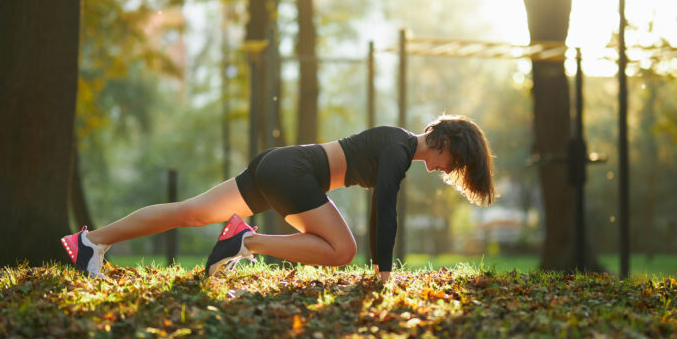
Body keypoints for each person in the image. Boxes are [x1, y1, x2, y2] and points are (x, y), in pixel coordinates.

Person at [61, 114, 495, 281]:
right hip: (293, 172)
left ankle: (89, 241)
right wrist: (384, 275)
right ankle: (244, 242)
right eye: (453, 163)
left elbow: (384, 212)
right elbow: (385, 212)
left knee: (190, 212)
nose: (447, 171)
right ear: (445, 141)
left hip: (281, 165)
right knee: (343, 250)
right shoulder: (400, 149)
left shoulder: (398, 145)